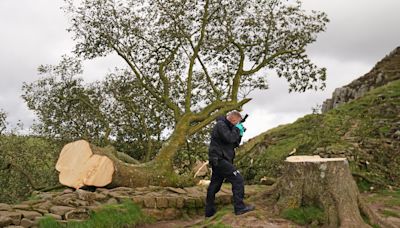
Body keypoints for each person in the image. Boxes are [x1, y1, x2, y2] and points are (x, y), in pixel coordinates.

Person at [205, 110, 255, 217]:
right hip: (219, 159)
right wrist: (237, 129)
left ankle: (209, 211)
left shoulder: (228, 126)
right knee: (238, 179)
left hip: (222, 160)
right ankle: (240, 208)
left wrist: (240, 133)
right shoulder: (221, 125)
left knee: (215, 185)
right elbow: (229, 138)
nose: (237, 124)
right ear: (233, 119)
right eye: (237, 122)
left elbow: (234, 143)